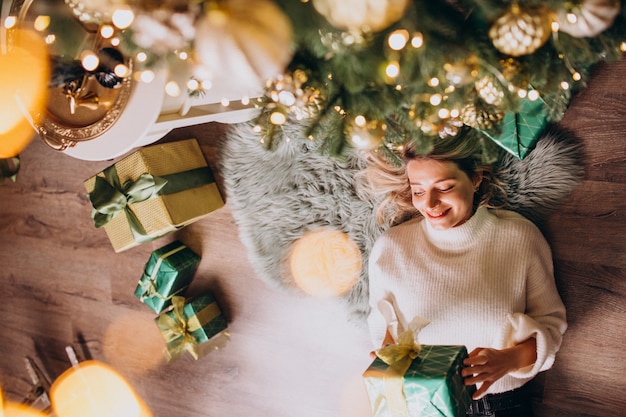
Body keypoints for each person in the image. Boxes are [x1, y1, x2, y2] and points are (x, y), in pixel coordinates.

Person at [359, 130, 567, 417]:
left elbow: (552, 325)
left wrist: (508, 360)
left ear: (476, 177)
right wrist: (390, 362)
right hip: (419, 403)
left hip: (498, 406)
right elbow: (384, 328)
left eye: (443, 187)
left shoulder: (519, 237)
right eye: (418, 190)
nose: (429, 204)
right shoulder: (390, 248)